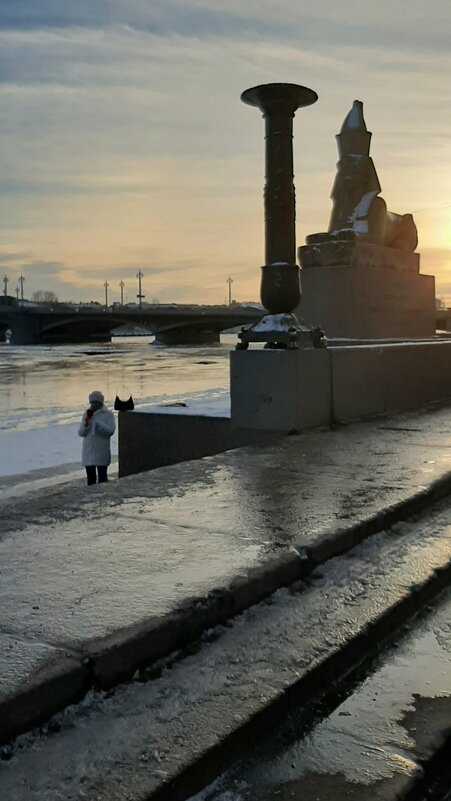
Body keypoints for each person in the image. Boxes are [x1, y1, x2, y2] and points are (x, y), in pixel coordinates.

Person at [78, 390, 115, 486]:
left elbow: (110, 431)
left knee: (102, 479)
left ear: (100, 403)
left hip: (101, 452)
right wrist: (86, 424)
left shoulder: (108, 415)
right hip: (88, 453)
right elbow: (81, 433)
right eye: (91, 403)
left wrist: (97, 423)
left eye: (95, 403)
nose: (93, 405)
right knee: (91, 480)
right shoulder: (87, 414)